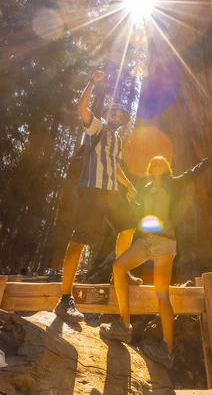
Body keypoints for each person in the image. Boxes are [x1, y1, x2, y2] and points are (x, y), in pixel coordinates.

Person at [100, 144, 212, 368]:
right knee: (118, 268)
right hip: (145, 241)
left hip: (165, 242)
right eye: (153, 163)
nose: (157, 165)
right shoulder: (145, 189)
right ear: (150, 168)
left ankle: (167, 349)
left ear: (166, 168)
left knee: (162, 295)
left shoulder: (173, 184)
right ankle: (124, 325)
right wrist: (129, 200)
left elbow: (194, 172)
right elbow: (136, 212)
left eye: (161, 163)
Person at [54, 70, 142, 326]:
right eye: (113, 113)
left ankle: (120, 273)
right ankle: (65, 299)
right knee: (79, 242)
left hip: (111, 193)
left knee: (129, 225)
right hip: (92, 192)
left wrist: (128, 186)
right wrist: (92, 82)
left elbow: (114, 168)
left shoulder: (116, 140)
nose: (117, 117)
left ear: (124, 120)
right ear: (108, 115)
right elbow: (81, 106)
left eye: (121, 116)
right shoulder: (96, 127)